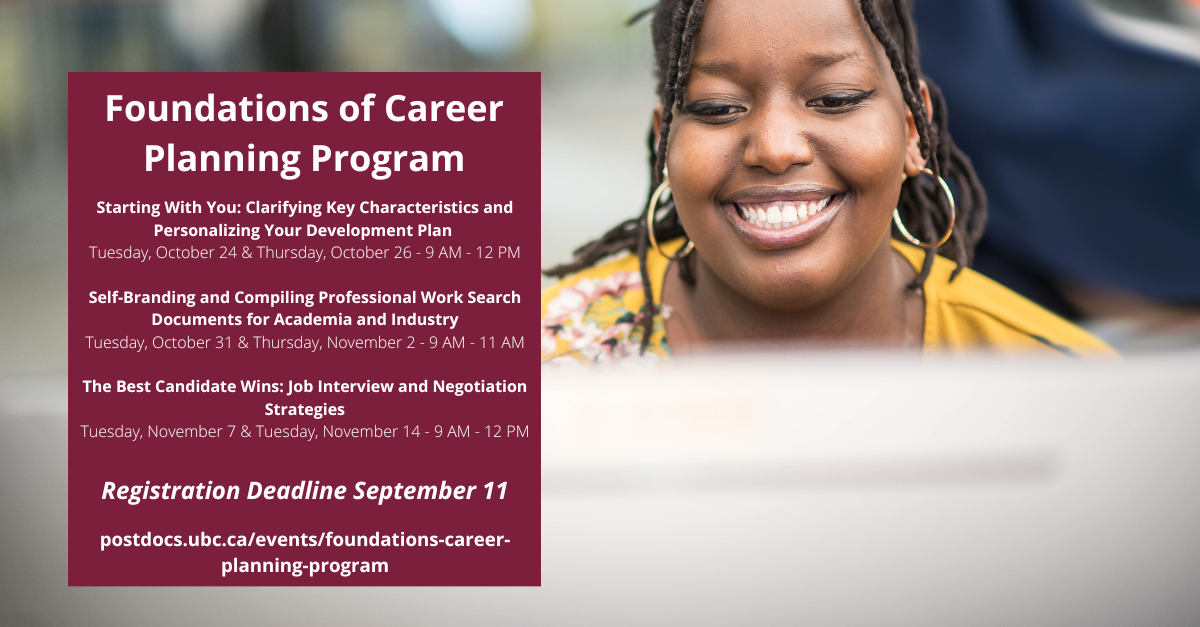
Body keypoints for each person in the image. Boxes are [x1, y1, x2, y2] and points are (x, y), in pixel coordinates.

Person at [541, 0, 1115, 367]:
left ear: (914, 130)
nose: (776, 148)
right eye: (717, 108)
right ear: (665, 144)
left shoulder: (1059, 379)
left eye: (835, 99)